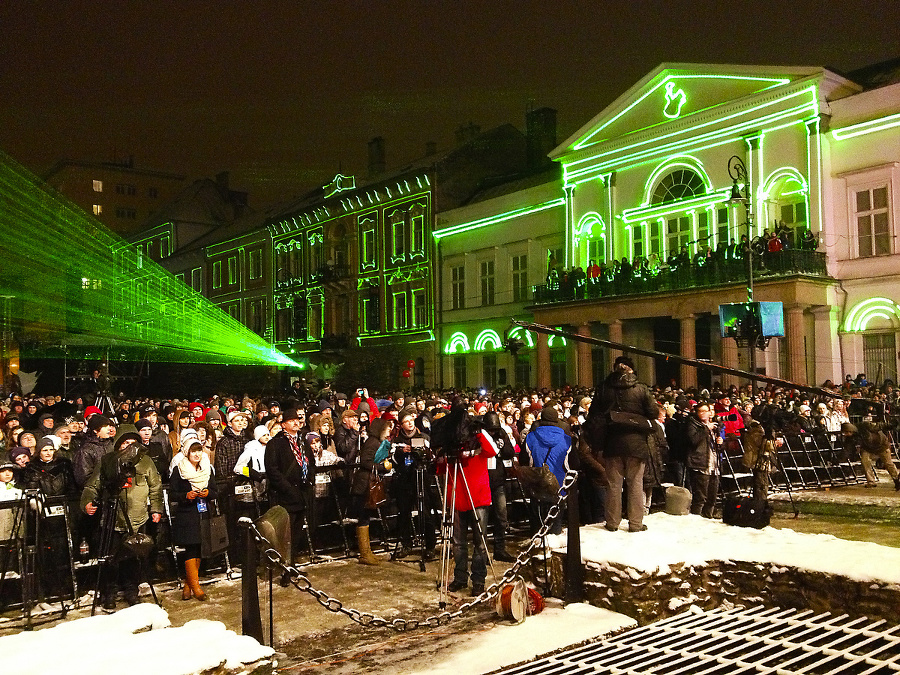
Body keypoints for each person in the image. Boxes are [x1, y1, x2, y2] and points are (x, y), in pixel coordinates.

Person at [80, 431, 163, 610]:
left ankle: (131, 591)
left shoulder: (146, 462)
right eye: (126, 443)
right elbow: (92, 486)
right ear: (118, 445)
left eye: (134, 443)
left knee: (134, 558)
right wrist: (86, 502)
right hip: (113, 517)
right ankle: (109, 593)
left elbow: (156, 487)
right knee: (111, 559)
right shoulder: (108, 461)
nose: (130, 447)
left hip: (138, 518)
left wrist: (156, 508)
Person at [586, 355, 658, 533]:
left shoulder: (604, 388)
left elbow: (594, 415)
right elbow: (653, 412)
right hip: (636, 443)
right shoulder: (641, 389)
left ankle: (612, 522)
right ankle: (635, 523)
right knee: (635, 484)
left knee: (613, 484)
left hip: (612, 441)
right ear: (631, 370)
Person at [435, 403, 498, 597]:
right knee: (458, 543)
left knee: (480, 542)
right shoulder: (448, 439)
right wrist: (442, 456)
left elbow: (492, 450)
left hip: (477, 495)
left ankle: (478, 580)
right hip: (456, 495)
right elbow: (440, 468)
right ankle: (460, 578)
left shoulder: (476, 432)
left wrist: (475, 435)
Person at [265, 408, 316, 581]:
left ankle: (292, 566)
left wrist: (309, 481)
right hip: (285, 495)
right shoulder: (276, 443)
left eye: (298, 419)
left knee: (296, 534)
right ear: (283, 424)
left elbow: (310, 462)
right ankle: (284, 569)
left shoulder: (302, 441)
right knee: (284, 535)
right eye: (292, 420)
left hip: (302, 494)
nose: (296, 422)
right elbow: (272, 470)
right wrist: (288, 488)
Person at [169, 437, 217, 601]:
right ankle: (196, 587)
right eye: (193, 451)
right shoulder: (179, 470)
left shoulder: (207, 468)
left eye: (199, 450)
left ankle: (188, 584)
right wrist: (186, 495)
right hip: (187, 513)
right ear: (187, 453)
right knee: (191, 547)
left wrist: (208, 493)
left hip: (203, 511)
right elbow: (172, 494)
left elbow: (215, 490)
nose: (197, 454)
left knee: (200, 548)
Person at [390, 406, 437, 559]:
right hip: (404, 481)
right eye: (406, 421)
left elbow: (433, 458)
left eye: (411, 420)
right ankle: (406, 544)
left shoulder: (424, 437)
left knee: (426, 513)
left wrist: (425, 452)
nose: (410, 424)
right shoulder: (397, 441)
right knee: (404, 513)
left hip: (422, 478)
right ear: (401, 424)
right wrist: (401, 452)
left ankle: (430, 546)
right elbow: (393, 461)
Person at [347, 417, 392, 565]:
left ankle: (367, 551)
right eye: (387, 428)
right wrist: (381, 467)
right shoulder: (373, 442)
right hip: (364, 484)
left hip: (369, 482)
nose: (389, 431)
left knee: (366, 516)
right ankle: (365, 553)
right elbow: (365, 462)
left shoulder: (378, 442)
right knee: (363, 516)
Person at [523, 407, 572, 534]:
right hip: (559, 485)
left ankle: (538, 548)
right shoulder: (567, 439)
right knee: (555, 520)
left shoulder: (530, 437)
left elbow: (524, 460)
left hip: (537, 484)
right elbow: (573, 463)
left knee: (537, 523)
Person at [686, 403, 724, 517]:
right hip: (700, 464)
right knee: (700, 498)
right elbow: (693, 440)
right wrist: (706, 429)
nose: (703, 413)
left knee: (712, 498)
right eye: (700, 411)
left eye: (705, 411)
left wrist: (720, 443)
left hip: (714, 465)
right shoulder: (692, 424)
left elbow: (718, 447)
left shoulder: (714, 425)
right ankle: (696, 522)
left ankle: (709, 518)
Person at [842, 422, 900, 490]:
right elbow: (847, 450)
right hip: (868, 448)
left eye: (846, 432)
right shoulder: (851, 437)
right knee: (865, 462)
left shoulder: (864, 426)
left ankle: (896, 479)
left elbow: (878, 426)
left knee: (888, 463)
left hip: (881, 445)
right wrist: (841, 459)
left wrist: (889, 425)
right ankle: (871, 481)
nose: (846, 434)